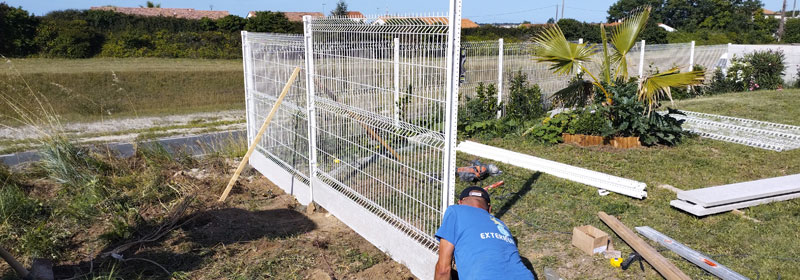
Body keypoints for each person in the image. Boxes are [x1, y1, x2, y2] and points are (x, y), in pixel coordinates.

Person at [434, 186, 535, 280]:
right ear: (489, 209)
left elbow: (443, 270)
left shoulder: (455, 211)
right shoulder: (501, 224)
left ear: (460, 203)